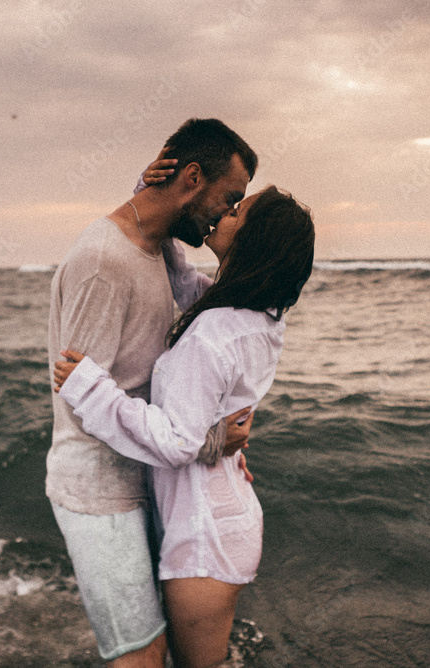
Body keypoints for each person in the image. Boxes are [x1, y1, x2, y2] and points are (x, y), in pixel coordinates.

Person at [54, 185, 316, 668]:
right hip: (219, 516)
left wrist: (92, 390)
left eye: (238, 211)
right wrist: (156, 196)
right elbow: (181, 278)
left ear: (253, 239)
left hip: (204, 535)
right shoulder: (254, 317)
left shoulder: (216, 333)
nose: (225, 213)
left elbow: (178, 441)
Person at [46, 118, 259, 667]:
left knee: (160, 646)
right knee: (139, 656)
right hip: (101, 490)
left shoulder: (159, 249)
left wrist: (214, 442)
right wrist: (204, 443)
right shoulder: (103, 261)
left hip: (149, 475)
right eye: (229, 198)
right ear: (192, 177)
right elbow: (80, 395)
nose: (227, 214)